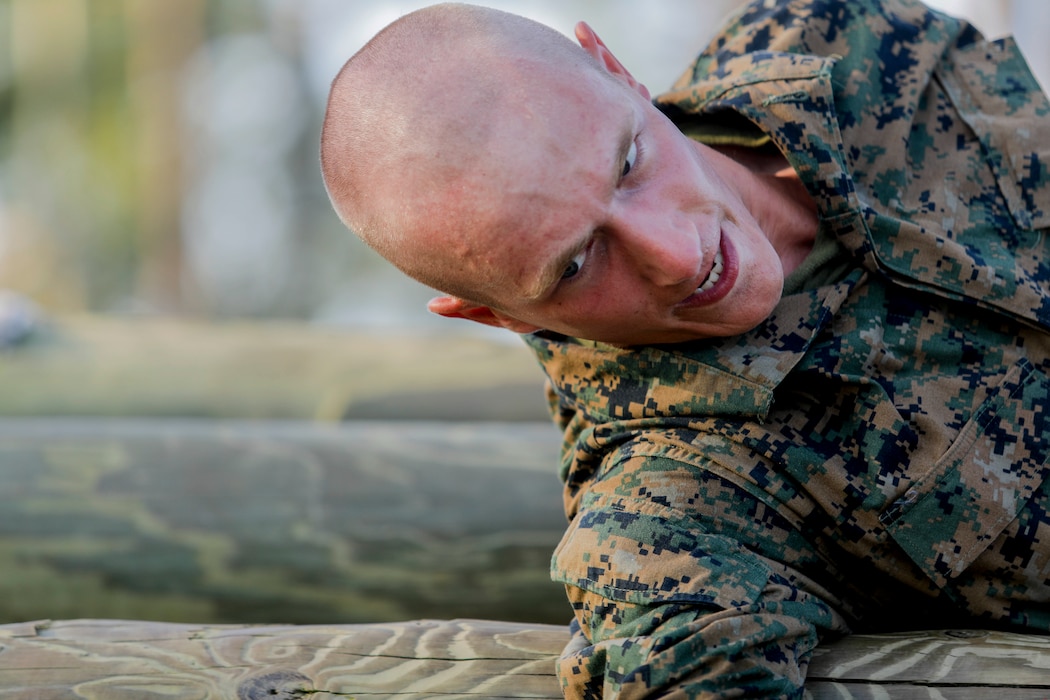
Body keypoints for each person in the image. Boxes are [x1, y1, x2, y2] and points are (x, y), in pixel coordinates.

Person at [321, 0, 1050, 696]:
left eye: (630, 160)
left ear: (614, 67)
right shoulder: (673, 522)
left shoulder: (825, 38)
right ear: (493, 313)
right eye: (575, 264)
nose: (677, 256)